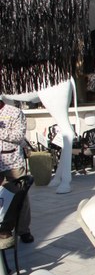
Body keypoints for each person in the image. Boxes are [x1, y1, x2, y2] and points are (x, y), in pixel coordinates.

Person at [0, 99, 33, 244]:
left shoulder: (14, 112)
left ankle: (23, 230)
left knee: (20, 197)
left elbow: (19, 136)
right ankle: (4, 229)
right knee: (3, 199)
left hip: (12, 163)